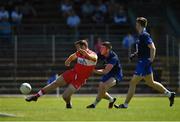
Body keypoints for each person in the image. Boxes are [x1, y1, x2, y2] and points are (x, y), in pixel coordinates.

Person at [114, 17, 176, 109]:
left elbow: (153, 48)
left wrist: (151, 59)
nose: (135, 25)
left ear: (139, 25)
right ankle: (169, 94)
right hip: (143, 62)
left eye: (136, 24)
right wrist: (135, 54)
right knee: (151, 83)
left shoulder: (144, 35)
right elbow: (144, 49)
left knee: (132, 83)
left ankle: (125, 105)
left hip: (143, 63)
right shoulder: (141, 35)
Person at [25, 40, 97, 109]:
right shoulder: (79, 53)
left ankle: (68, 103)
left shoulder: (93, 54)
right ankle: (36, 96)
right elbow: (73, 56)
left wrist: (87, 55)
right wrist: (68, 61)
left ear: (84, 46)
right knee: (55, 83)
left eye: (78, 47)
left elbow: (94, 58)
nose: (77, 49)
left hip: (80, 79)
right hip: (72, 73)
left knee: (65, 96)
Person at [87, 41, 123, 109]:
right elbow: (93, 58)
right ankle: (111, 100)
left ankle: (94, 105)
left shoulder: (113, 58)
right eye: (101, 48)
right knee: (101, 89)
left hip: (116, 75)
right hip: (108, 73)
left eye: (102, 48)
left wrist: (93, 70)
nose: (100, 49)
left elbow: (105, 71)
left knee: (104, 87)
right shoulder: (101, 54)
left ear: (108, 50)